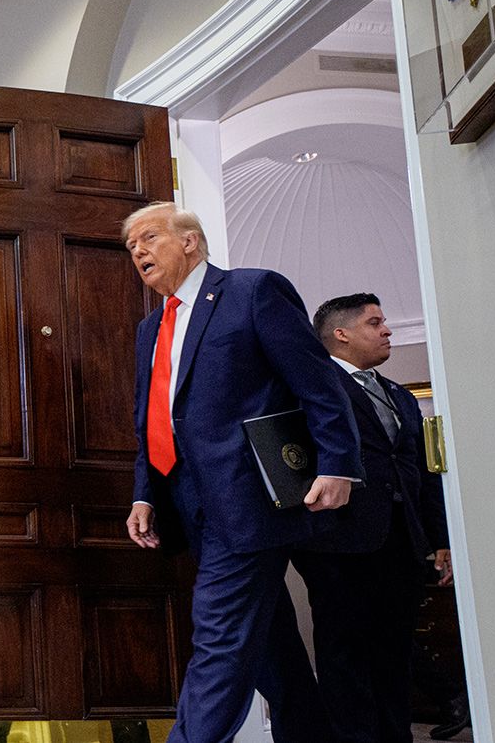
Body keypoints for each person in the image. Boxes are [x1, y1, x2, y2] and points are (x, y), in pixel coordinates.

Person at [121, 202, 362, 743]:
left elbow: (318, 384)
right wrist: (145, 496)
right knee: (272, 645)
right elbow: (153, 419)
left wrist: (339, 463)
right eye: (130, 244)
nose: (137, 250)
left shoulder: (253, 291)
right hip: (190, 508)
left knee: (220, 637)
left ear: (190, 241)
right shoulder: (149, 328)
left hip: (250, 497)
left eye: (149, 237)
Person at [290, 293, 452, 743]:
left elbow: (423, 471)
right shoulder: (312, 388)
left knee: (394, 655)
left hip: (401, 543)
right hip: (338, 544)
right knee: (345, 657)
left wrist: (439, 538)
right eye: (375, 323)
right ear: (341, 334)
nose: (387, 330)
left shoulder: (398, 394)